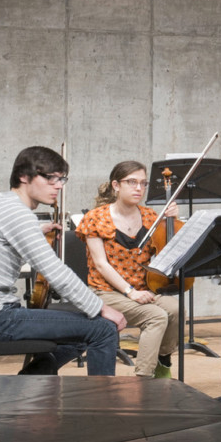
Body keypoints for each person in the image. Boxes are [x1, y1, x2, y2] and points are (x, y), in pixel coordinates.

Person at [0, 145, 124, 374]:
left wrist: (37, 229)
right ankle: (102, 406)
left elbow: (6, 233)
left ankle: (27, 387)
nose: (59, 186)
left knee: (79, 329)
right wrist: (101, 307)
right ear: (24, 176)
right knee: (103, 328)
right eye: (50, 178)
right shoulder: (17, 214)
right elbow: (55, 272)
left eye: (61, 179)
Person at [76, 161, 180, 380]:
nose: (138, 188)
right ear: (116, 185)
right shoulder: (96, 218)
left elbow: (166, 254)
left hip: (142, 289)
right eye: (131, 182)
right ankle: (143, 379)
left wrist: (172, 220)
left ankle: (163, 359)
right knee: (156, 316)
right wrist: (130, 292)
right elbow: (101, 265)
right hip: (106, 292)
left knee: (174, 308)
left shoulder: (151, 217)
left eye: (143, 183)